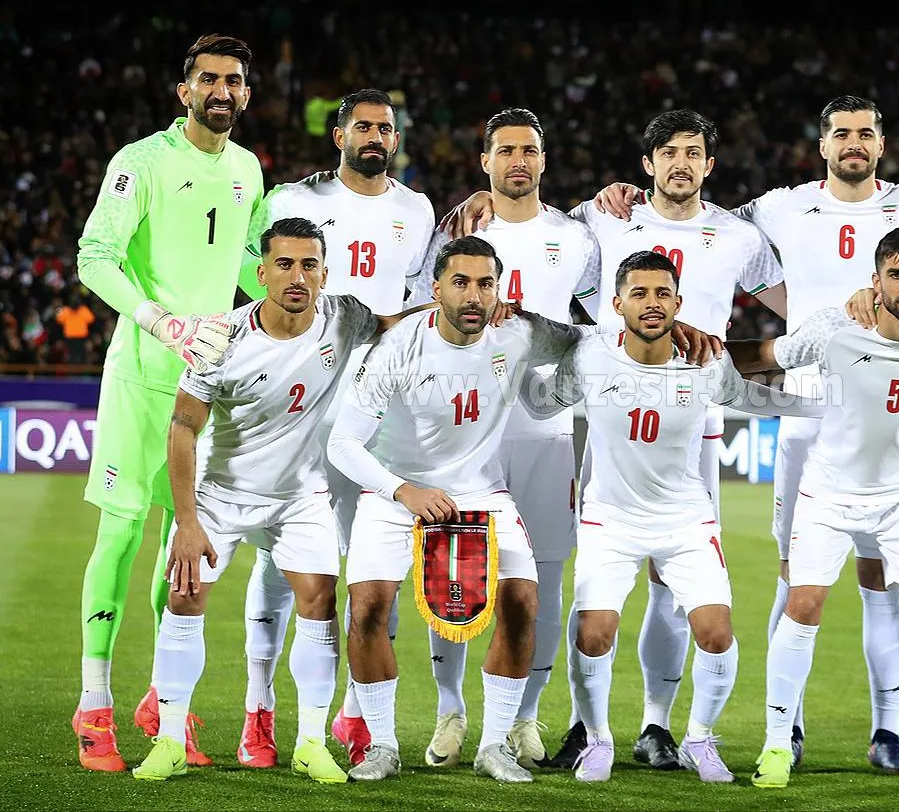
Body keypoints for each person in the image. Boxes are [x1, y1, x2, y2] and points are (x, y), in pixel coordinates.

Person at [579, 96, 899, 771]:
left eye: (865, 134)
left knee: (881, 577)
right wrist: (616, 197)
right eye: (842, 134)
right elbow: (687, 218)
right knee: (793, 578)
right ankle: (786, 730)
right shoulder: (777, 208)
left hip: (884, 418)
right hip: (806, 415)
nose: (853, 143)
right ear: (822, 145)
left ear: (880, 145)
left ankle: (887, 730)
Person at [444, 109, 786, 770]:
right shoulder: (603, 218)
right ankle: (584, 724)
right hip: (613, 415)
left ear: (710, 164)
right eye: (669, 152)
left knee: (674, 583)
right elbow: (533, 226)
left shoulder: (738, 235)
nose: (682, 163)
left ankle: (657, 724)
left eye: (694, 152)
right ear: (647, 163)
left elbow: (789, 304)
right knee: (596, 570)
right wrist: (483, 199)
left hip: (696, 419)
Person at [326, 237, 718, 783]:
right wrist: (403, 491)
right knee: (368, 607)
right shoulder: (398, 348)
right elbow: (343, 444)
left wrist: (671, 326)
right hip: (396, 492)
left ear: (499, 290)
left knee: (522, 602)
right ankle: (382, 746)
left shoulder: (519, 332)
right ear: (436, 289)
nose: (474, 295)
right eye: (460, 283)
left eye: (485, 284)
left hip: (481, 492)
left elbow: (597, 338)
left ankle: (494, 745)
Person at [521, 250, 815, 783]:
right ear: (617, 305)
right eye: (639, 293)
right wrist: (508, 360)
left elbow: (752, 398)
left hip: (685, 519)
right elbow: (542, 404)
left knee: (716, 633)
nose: (651, 303)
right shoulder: (591, 355)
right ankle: (598, 740)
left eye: (662, 294)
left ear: (679, 303)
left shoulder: (706, 363)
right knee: (593, 633)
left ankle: (700, 739)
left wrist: (827, 405)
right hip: (610, 519)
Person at [132, 217, 409, 782]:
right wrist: (187, 522)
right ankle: (170, 740)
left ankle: (310, 742)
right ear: (261, 274)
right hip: (222, 494)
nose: (297, 276)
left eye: (309, 265)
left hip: (300, 495)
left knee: (319, 602)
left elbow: (395, 327)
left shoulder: (343, 316)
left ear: (325, 273)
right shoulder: (222, 340)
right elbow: (183, 427)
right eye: (284, 264)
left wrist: (456, 308)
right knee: (184, 597)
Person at [728, 227, 899, 791]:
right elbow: (764, 356)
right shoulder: (835, 328)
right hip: (830, 490)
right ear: (876, 280)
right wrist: (688, 352)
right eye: (896, 274)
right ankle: (777, 745)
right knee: (803, 602)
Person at [73, 33, 265, 772]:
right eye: (209, 79)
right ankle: (93, 703)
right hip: (141, 378)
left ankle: (164, 700)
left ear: (245, 93)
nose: (223, 91)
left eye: (234, 80)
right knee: (121, 536)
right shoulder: (142, 162)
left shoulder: (247, 168)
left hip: (205, 387)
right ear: (185, 91)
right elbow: (95, 256)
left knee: (181, 546)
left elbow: (246, 260)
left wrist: (291, 301)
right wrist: (160, 321)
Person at [235, 88, 436, 769]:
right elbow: (253, 275)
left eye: (386, 128)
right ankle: (259, 711)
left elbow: (421, 301)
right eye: (363, 126)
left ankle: (356, 714)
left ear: (396, 139)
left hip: (382, 411)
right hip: (301, 406)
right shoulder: (295, 199)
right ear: (339, 135)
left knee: (379, 566)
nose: (375, 136)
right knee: (279, 561)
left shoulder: (417, 210)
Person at [412, 108, 602, 771]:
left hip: (545, 429)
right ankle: (450, 710)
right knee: (452, 569)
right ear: (485, 160)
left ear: (544, 161)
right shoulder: (457, 231)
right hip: (465, 429)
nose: (518, 161)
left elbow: (603, 323)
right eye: (506, 150)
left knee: (543, 574)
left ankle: (524, 717)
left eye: (530, 150)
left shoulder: (575, 238)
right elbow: (421, 305)